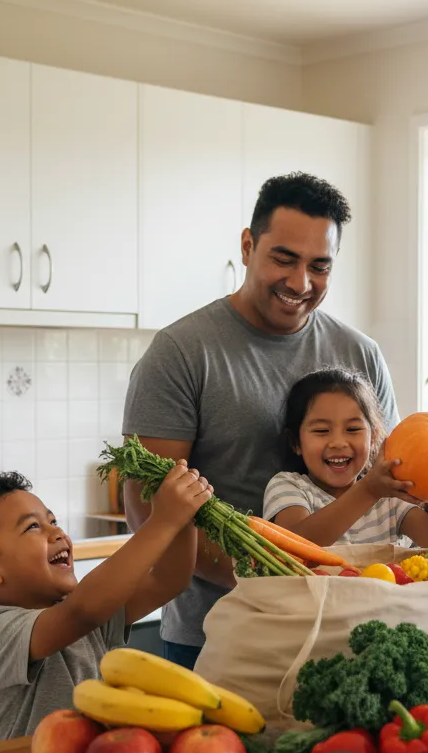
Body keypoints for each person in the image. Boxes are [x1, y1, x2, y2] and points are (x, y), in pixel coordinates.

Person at [122, 172, 398, 668]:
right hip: (216, 633)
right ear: (248, 246)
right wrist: (265, 577)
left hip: (349, 629)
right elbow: (148, 506)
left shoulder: (361, 354)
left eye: (319, 266)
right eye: (284, 259)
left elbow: (387, 480)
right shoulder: (181, 352)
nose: (301, 283)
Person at [0, 465, 211, 741]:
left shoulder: (83, 611)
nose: (58, 533)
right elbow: (83, 611)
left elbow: (168, 580)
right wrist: (164, 521)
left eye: (53, 521)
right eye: (32, 527)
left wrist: (186, 516)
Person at [263, 367, 428, 548]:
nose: (338, 442)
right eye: (322, 430)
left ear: (373, 437)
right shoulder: (288, 486)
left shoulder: (389, 499)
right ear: (296, 442)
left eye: (353, 429)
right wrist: (368, 491)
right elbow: (294, 546)